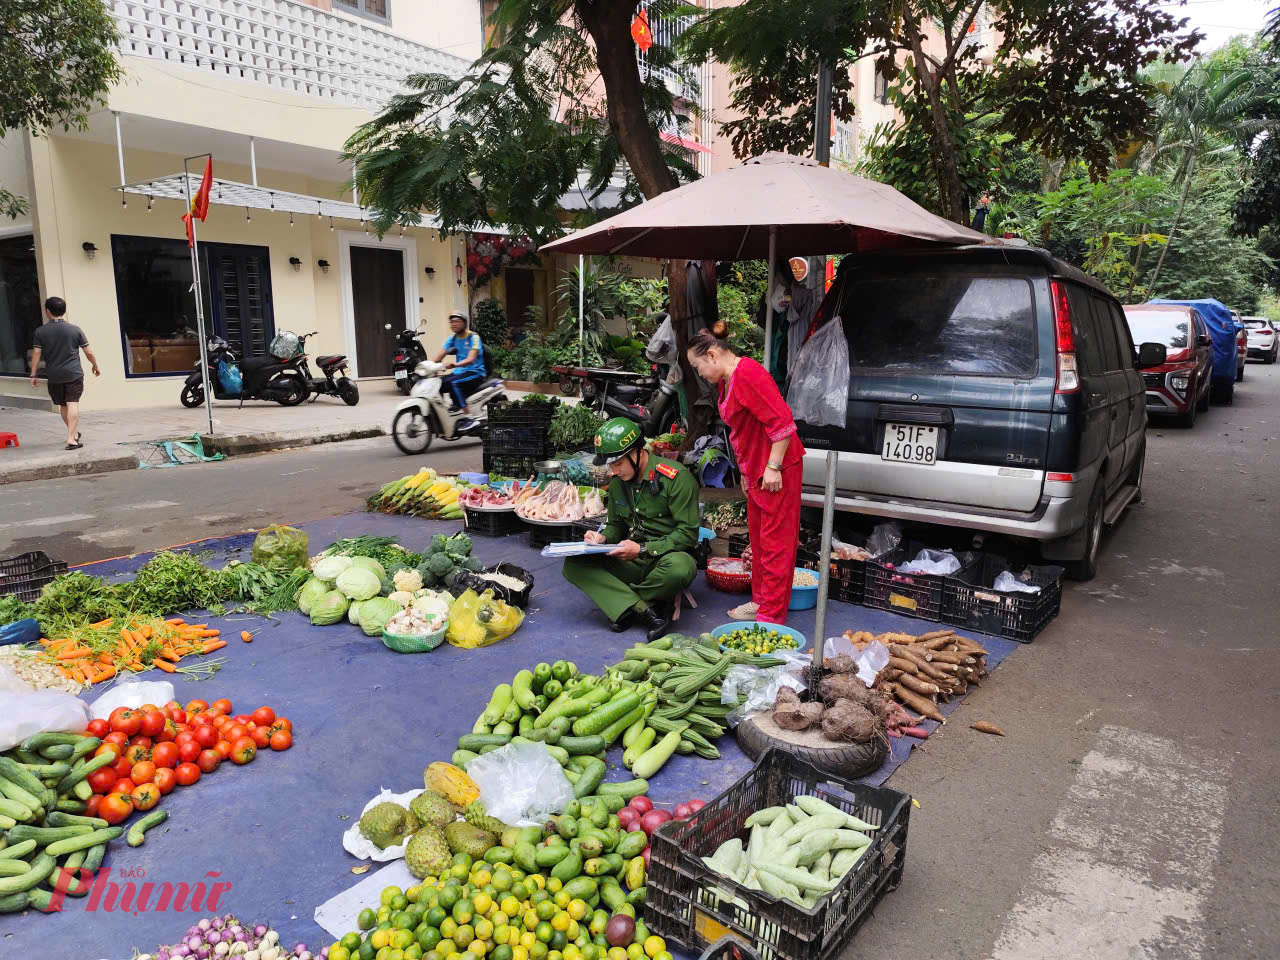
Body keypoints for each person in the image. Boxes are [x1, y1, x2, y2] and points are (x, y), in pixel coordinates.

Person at [687, 333, 804, 624]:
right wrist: (745, 471)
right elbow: (742, 432)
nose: (699, 373)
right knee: (760, 541)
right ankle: (762, 602)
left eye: (697, 365)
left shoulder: (749, 373)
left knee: (776, 544)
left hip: (778, 470)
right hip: (756, 471)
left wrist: (774, 467)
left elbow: (783, 423)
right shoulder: (728, 380)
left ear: (712, 355)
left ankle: (771, 618)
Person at [563, 417, 699, 641]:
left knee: (681, 568)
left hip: (664, 558)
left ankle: (621, 604)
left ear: (637, 452)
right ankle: (646, 609)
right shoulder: (618, 482)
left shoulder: (676, 478)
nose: (613, 471)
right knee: (573, 564)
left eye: (617, 463)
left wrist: (642, 548)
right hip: (629, 557)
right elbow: (616, 526)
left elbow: (688, 535)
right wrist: (602, 538)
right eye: (610, 465)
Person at [30, 297, 100, 451]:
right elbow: (88, 351)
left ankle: (73, 434)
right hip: (73, 373)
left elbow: (36, 353)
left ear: (47, 311)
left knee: (63, 405)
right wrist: (95, 365)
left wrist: (33, 374)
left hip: (54, 375)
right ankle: (71, 437)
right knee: (72, 402)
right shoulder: (74, 329)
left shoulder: (40, 331)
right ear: (64, 310)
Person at [431, 312, 485, 418]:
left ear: (464, 323)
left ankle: (469, 417)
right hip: (459, 372)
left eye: (457, 321)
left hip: (475, 372)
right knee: (435, 384)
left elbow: (471, 359)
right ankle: (441, 416)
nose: (454, 324)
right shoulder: (453, 339)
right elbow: (438, 357)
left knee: (453, 383)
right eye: (451, 322)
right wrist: (426, 367)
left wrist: (454, 365)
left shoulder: (473, 337)